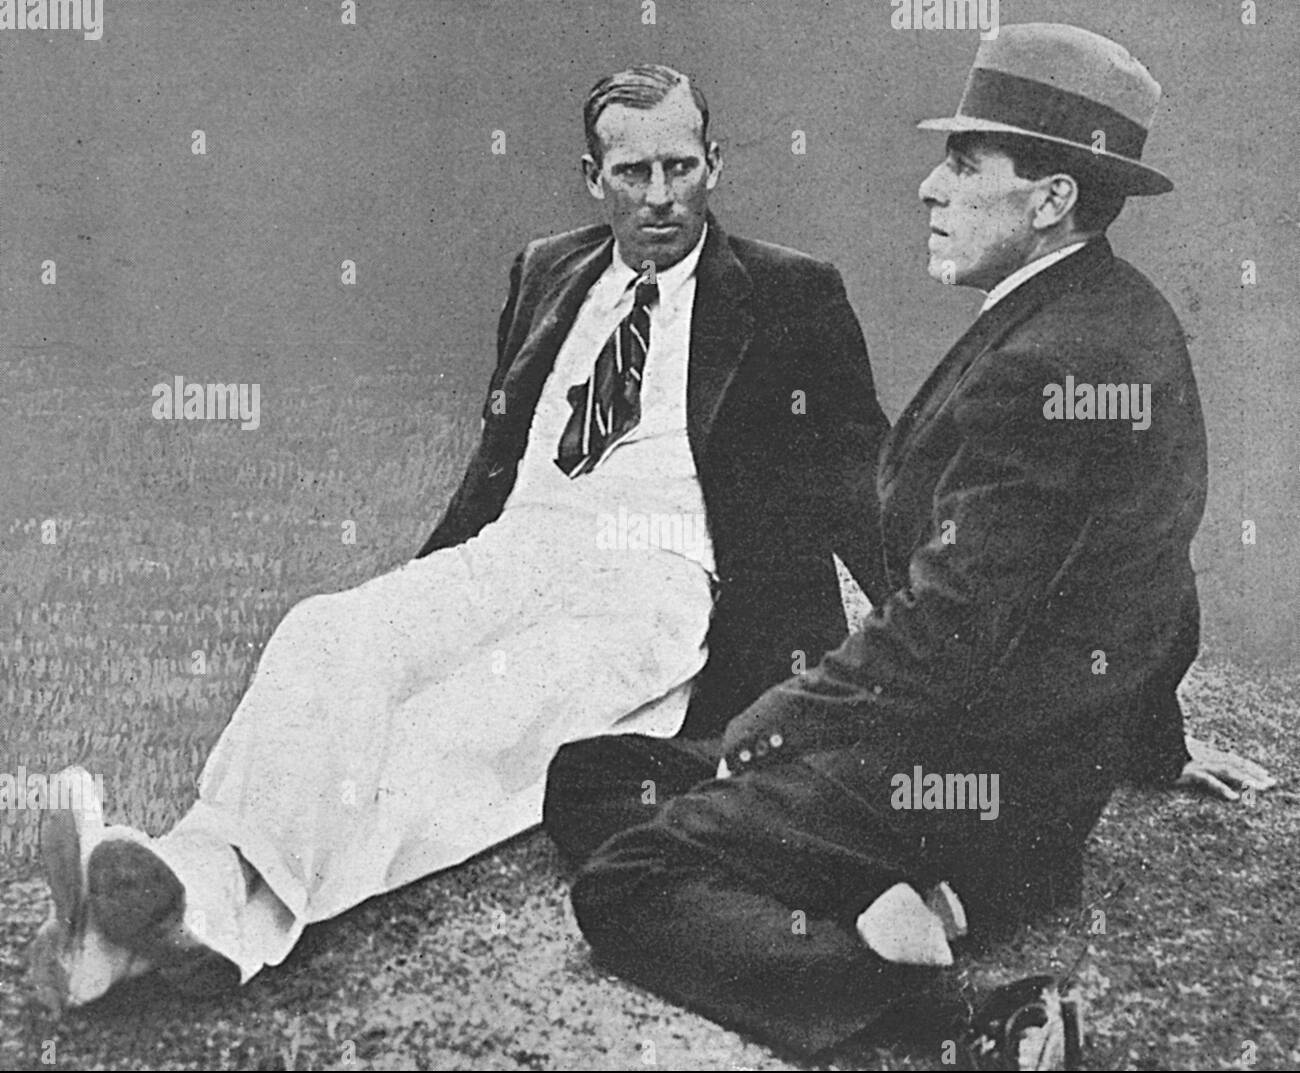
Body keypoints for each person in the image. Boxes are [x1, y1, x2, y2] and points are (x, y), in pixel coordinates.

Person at [28, 65, 889, 1014]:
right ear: (590, 176)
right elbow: (500, 456)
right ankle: (149, 923)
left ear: (714, 164)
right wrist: (428, 583)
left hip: (654, 590)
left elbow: (864, 484)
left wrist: (935, 645)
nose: (659, 197)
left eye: (681, 167)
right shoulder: (549, 270)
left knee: (460, 725)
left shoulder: (792, 294)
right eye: (632, 171)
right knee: (331, 634)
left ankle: (176, 897)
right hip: (516, 550)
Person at [550, 24, 1274, 1064]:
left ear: (1051, 197)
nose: (929, 188)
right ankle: (900, 897)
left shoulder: (1054, 364)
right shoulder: (1114, 314)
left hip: (959, 779)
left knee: (628, 882)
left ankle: (969, 1023)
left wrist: (768, 727)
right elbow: (1150, 561)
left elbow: (943, 634)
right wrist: (1152, 739)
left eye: (963, 163)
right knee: (592, 775)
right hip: (1005, 782)